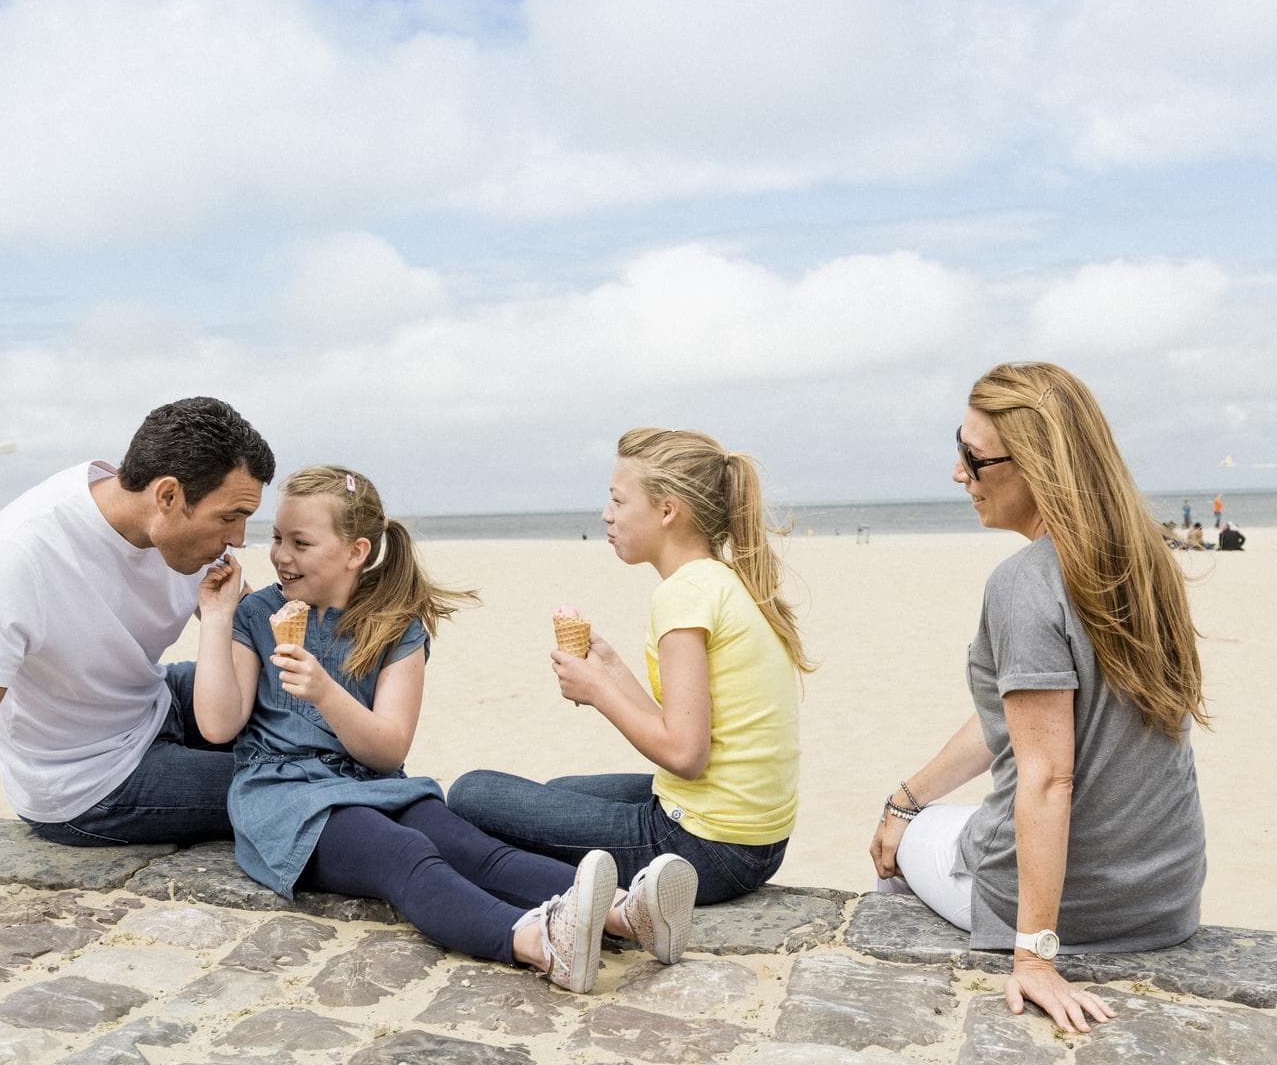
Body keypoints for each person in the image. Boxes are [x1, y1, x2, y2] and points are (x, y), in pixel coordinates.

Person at [203, 466, 695, 993]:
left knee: (471, 846)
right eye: (278, 537)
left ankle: (626, 913)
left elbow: (388, 751)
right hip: (284, 797)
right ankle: (539, 943)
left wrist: (325, 692)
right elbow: (217, 724)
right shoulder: (256, 614)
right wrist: (216, 616)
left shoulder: (396, 627)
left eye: (300, 543)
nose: (280, 555)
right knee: (403, 854)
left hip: (375, 782)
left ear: (356, 551)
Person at [0, 397, 275, 953]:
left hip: (150, 698)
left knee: (300, 722)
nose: (238, 538)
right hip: (89, 780)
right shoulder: (20, 554)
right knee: (286, 784)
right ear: (167, 496)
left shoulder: (177, 531)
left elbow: (250, 633)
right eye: (230, 517)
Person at [868, 362, 1207, 1034]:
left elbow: (1048, 775)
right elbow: (1024, 718)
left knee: (899, 853)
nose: (959, 473)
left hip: (1076, 909)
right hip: (1165, 899)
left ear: (1038, 465)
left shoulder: (1023, 584)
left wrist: (1034, 957)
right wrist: (907, 796)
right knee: (916, 817)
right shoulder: (1146, 563)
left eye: (974, 457)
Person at [450, 427, 813, 907]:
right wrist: (612, 670)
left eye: (618, 500)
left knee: (471, 794)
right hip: (757, 843)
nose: (607, 514)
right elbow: (682, 729)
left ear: (667, 511)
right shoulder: (722, 580)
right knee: (559, 792)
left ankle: (580, 904)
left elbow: (684, 755)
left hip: (705, 848)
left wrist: (598, 692)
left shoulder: (682, 595)